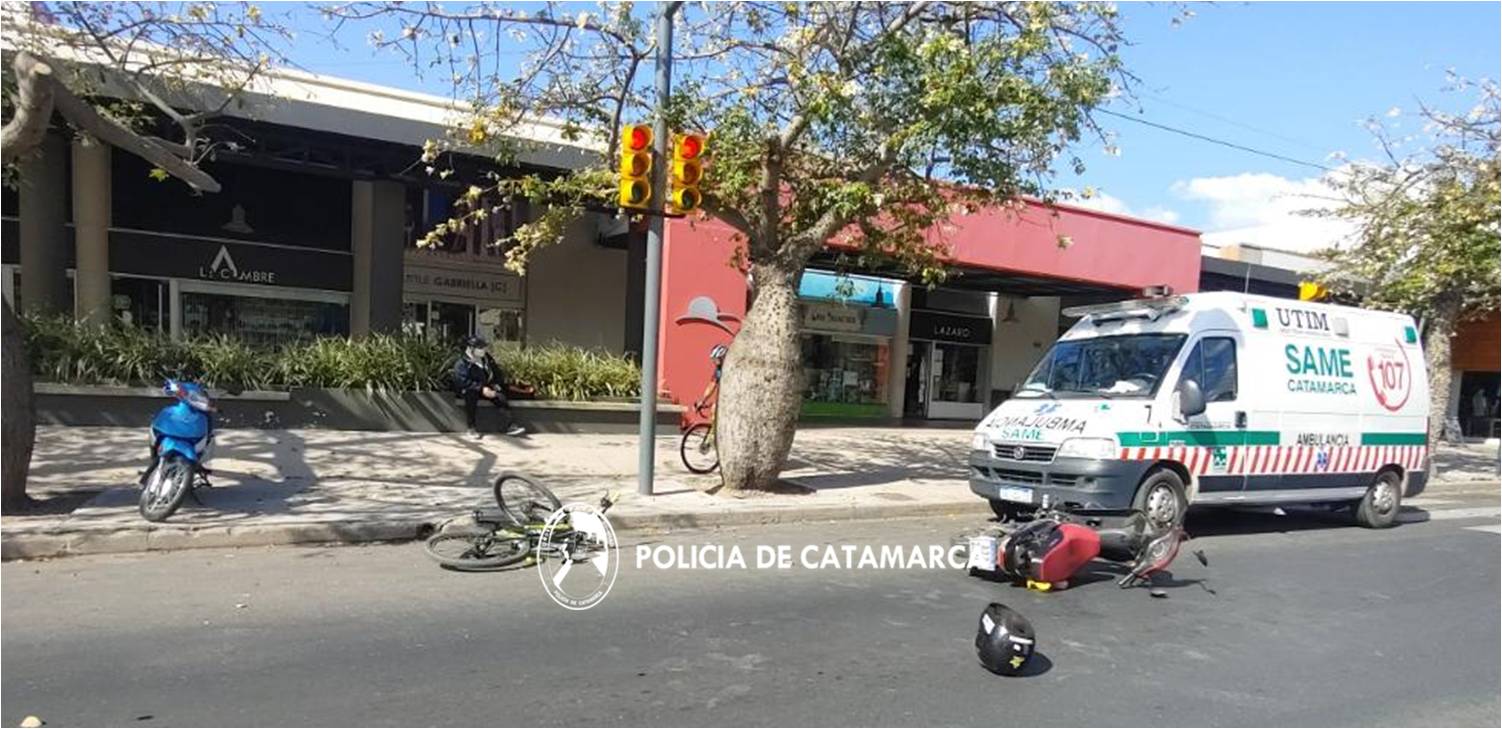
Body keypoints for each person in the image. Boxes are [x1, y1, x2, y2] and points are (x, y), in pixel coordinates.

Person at [453, 335, 525, 439]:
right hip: (471, 388)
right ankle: (471, 428)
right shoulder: (462, 363)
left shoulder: (487, 359)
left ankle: (511, 426)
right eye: (480, 348)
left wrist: (496, 384)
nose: (483, 350)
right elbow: (462, 381)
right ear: (471, 348)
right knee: (470, 396)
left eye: (483, 347)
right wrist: (480, 388)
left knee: (500, 397)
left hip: (487, 387)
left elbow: (496, 372)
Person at [694, 344, 729, 416]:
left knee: (715, 409)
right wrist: (703, 400)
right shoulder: (718, 370)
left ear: (722, 357)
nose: (714, 362)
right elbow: (712, 385)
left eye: (715, 359)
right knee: (714, 409)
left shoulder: (730, 368)